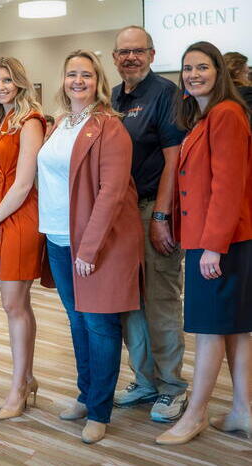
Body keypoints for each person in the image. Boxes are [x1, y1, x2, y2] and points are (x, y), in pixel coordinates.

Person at [37, 49, 143, 444]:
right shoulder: (60, 122)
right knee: (77, 320)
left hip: (94, 243)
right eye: (71, 74)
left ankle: (100, 410)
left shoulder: (109, 126)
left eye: (85, 74)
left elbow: (112, 192)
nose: (77, 81)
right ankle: (86, 395)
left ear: (98, 81)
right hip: (57, 237)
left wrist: (89, 248)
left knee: (100, 325)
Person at [156, 41, 252, 445]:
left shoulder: (226, 114)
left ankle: (194, 414)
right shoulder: (206, 116)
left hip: (220, 243)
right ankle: (244, 412)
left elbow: (228, 187)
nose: (193, 74)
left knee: (211, 330)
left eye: (202, 67)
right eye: (187, 68)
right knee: (236, 330)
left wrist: (213, 245)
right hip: (221, 241)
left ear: (220, 73)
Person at [110, 25, 188, 422]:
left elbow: (175, 160)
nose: (130, 57)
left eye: (138, 51)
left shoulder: (166, 95)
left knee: (159, 301)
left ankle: (172, 387)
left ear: (153, 54)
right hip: (120, 216)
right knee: (130, 304)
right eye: (124, 52)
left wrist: (160, 217)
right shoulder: (113, 96)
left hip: (151, 209)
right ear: (114, 58)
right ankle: (145, 381)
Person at [0, 56, 44, 420]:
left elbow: (24, 183)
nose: (0, 86)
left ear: (19, 82)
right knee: (15, 305)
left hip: (17, 218)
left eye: (6, 80)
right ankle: (27, 377)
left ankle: (18, 388)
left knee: (14, 305)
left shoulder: (30, 122)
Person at [223, 52, 252, 117]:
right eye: (245, 65)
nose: (248, 69)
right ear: (237, 70)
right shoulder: (246, 92)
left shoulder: (220, 92)